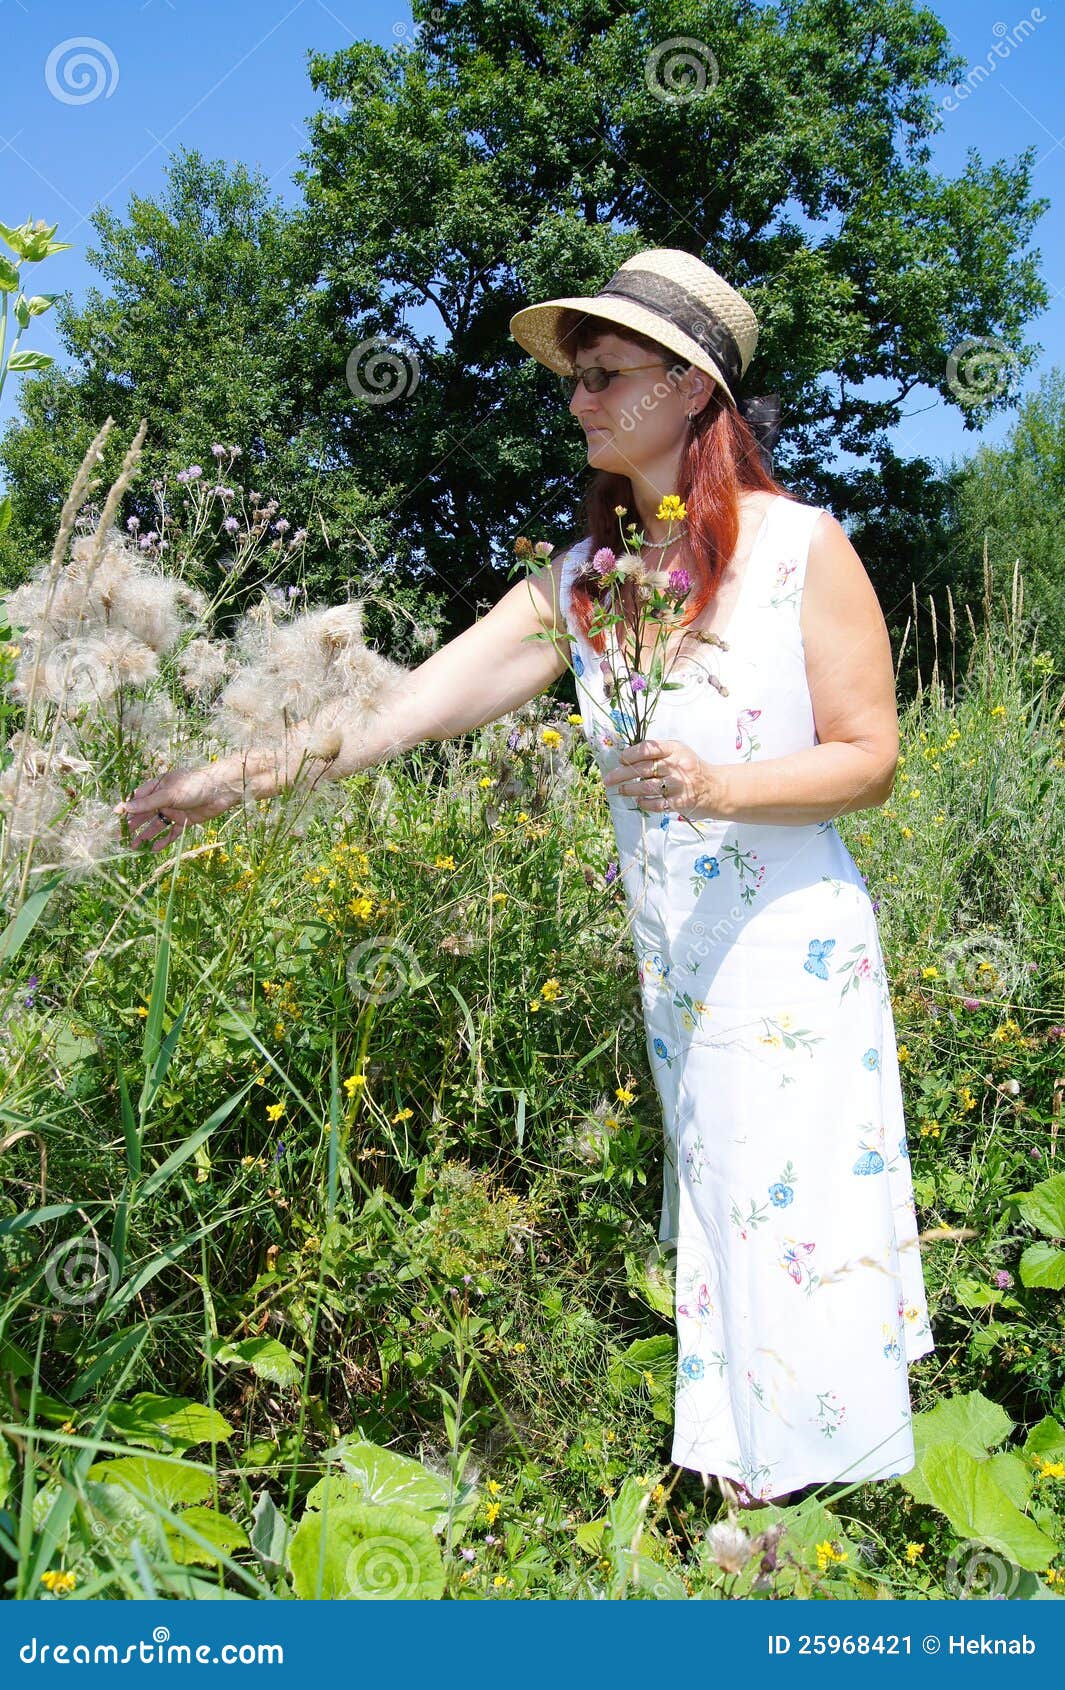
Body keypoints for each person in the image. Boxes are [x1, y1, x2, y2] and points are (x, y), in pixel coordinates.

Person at [119, 247, 934, 1512]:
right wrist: (230, 775)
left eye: (602, 375)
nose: (577, 403)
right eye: (575, 378)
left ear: (687, 385)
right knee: (725, 1212)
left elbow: (870, 759)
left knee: (797, 1217)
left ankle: (781, 1522)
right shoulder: (583, 585)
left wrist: (719, 787)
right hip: (682, 965)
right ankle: (744, 1488)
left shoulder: (798, 549)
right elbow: (401, 714)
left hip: (794, 954)